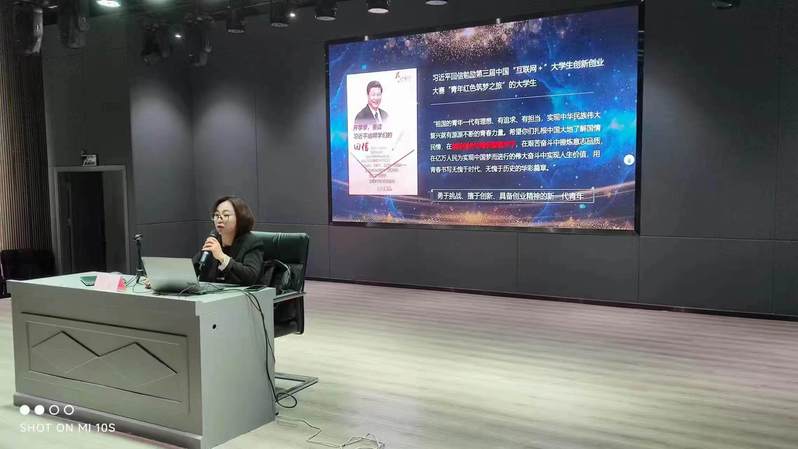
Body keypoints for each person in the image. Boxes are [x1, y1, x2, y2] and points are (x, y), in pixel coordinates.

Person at [192, 195, 265, 286]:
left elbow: (251, 277)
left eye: (225, 215)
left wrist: (222, 257)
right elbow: (192, 269)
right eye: (217, 215)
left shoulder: (252, 242)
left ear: (240, 218)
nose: (219, 219)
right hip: (211, 293)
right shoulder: (214, 239)